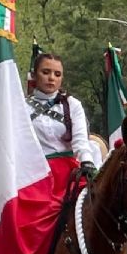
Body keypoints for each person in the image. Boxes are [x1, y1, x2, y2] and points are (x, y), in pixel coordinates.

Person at [26, 53, 96, 201]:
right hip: (35, 174)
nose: (51, 78)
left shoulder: (72, 104)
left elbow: (80, 140)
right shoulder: (22, 106)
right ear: (34, 75)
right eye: (45, 72)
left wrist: (87, 161)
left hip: (68, 173)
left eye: (57, 74)